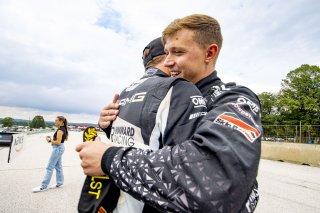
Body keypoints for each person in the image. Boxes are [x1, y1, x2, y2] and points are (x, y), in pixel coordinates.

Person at [76, 14, 262, 212]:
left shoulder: (235, 99)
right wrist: (110, 127)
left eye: (178, 52)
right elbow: (149, 146)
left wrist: (110, 159)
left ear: (209, 53)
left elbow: (214, 179)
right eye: (166, 53)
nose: (168, 62)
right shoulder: (166, 94)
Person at [99, 37, 207, 213]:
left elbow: (130, 136)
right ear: (167, 56)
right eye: (175, 52)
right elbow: (191, 168)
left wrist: (104, 126)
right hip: (152, 202)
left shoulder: (126, 90)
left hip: (117, 199)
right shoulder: (179, 88)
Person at [32, 116, 68, 193]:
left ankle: (43, 186)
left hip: (57, 149)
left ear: (61, 121)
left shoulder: (60, 130)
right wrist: (52, 140)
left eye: (56, 120)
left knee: (49, 167)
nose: (55, 122)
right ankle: (60, 183)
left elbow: (58, 142)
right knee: (58, 167)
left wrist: (49, 140)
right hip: (59, 148)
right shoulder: (63, 129)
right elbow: (60, 141)